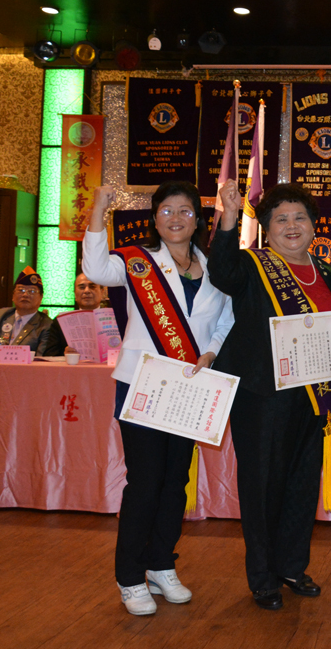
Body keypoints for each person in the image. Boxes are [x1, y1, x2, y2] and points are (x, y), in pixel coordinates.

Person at [83, 182, 234, 617]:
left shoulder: (214, 266)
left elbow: (226, 320)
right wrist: (99, 210)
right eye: (166, 210)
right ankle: (130, 576)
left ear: (197, 218)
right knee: (146, 482)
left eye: (184, 210)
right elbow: (95, 268)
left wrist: (211, 352)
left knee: (175, 483)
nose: (175, 218)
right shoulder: (139, 262)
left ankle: (161, 563)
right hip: (143, 386)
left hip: (189, 386)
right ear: (154, 218)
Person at [210, 179, 331, 611]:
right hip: (262, 398)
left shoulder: (326, 271)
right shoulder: (251, 265)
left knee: (301, 484)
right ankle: (263, 576)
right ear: (267, 229)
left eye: (300, 218)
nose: (292, 226)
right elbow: (221, 271)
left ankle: (292, 566)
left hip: (313, 395)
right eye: (281, 219)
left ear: (313, 225)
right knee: (262, 486)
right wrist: (230, 218)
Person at [40, 273, 108, 356]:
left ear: (102, 292)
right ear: (75, 294)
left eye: (92, 286)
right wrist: (65, 355)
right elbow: (49, 355)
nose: (87, 291)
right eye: (82, 287)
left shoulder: (114, 319)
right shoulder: (61, 321)